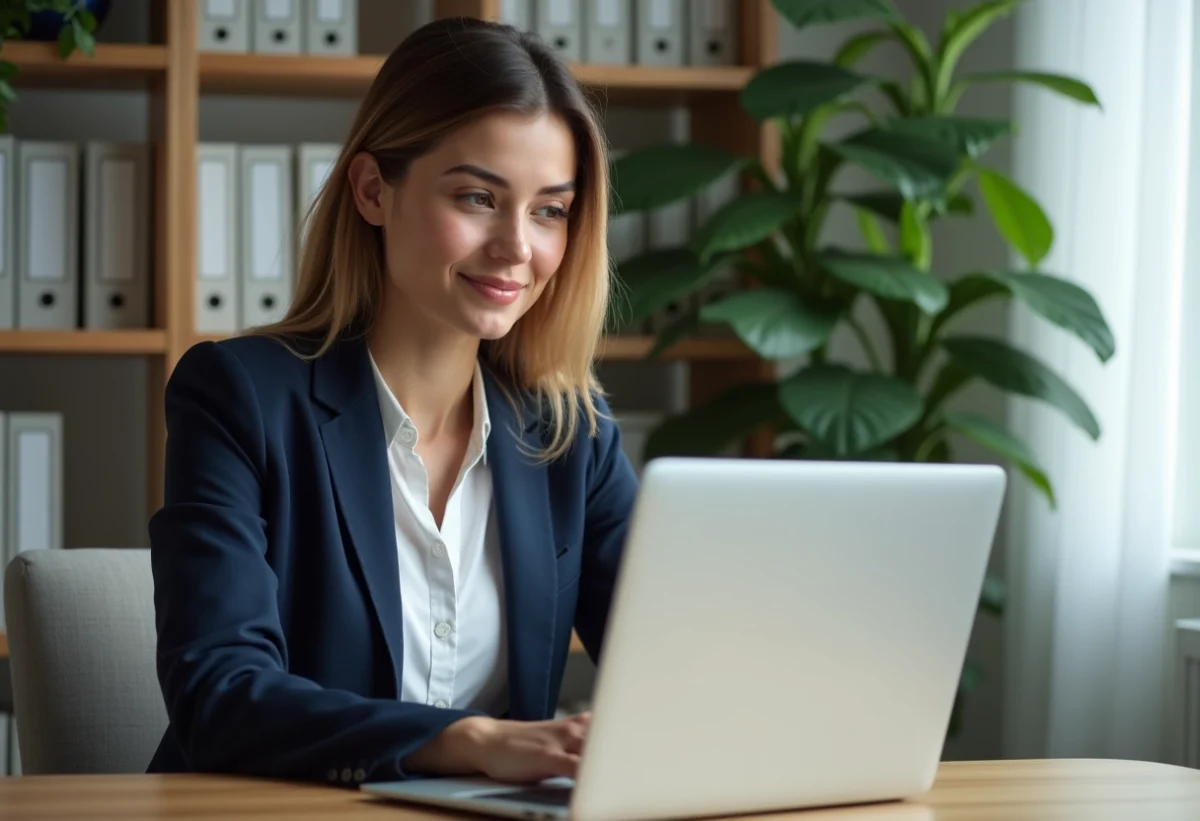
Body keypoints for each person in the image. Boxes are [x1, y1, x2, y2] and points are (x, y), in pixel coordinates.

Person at [146, 16, 638, 788]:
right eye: (477, 197)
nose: (517, 246)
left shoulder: (572, 434)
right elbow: (220, 695)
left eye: (549, 210)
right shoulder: (239, 397)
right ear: (374, 190)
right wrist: (468, 739)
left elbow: (678, 667)